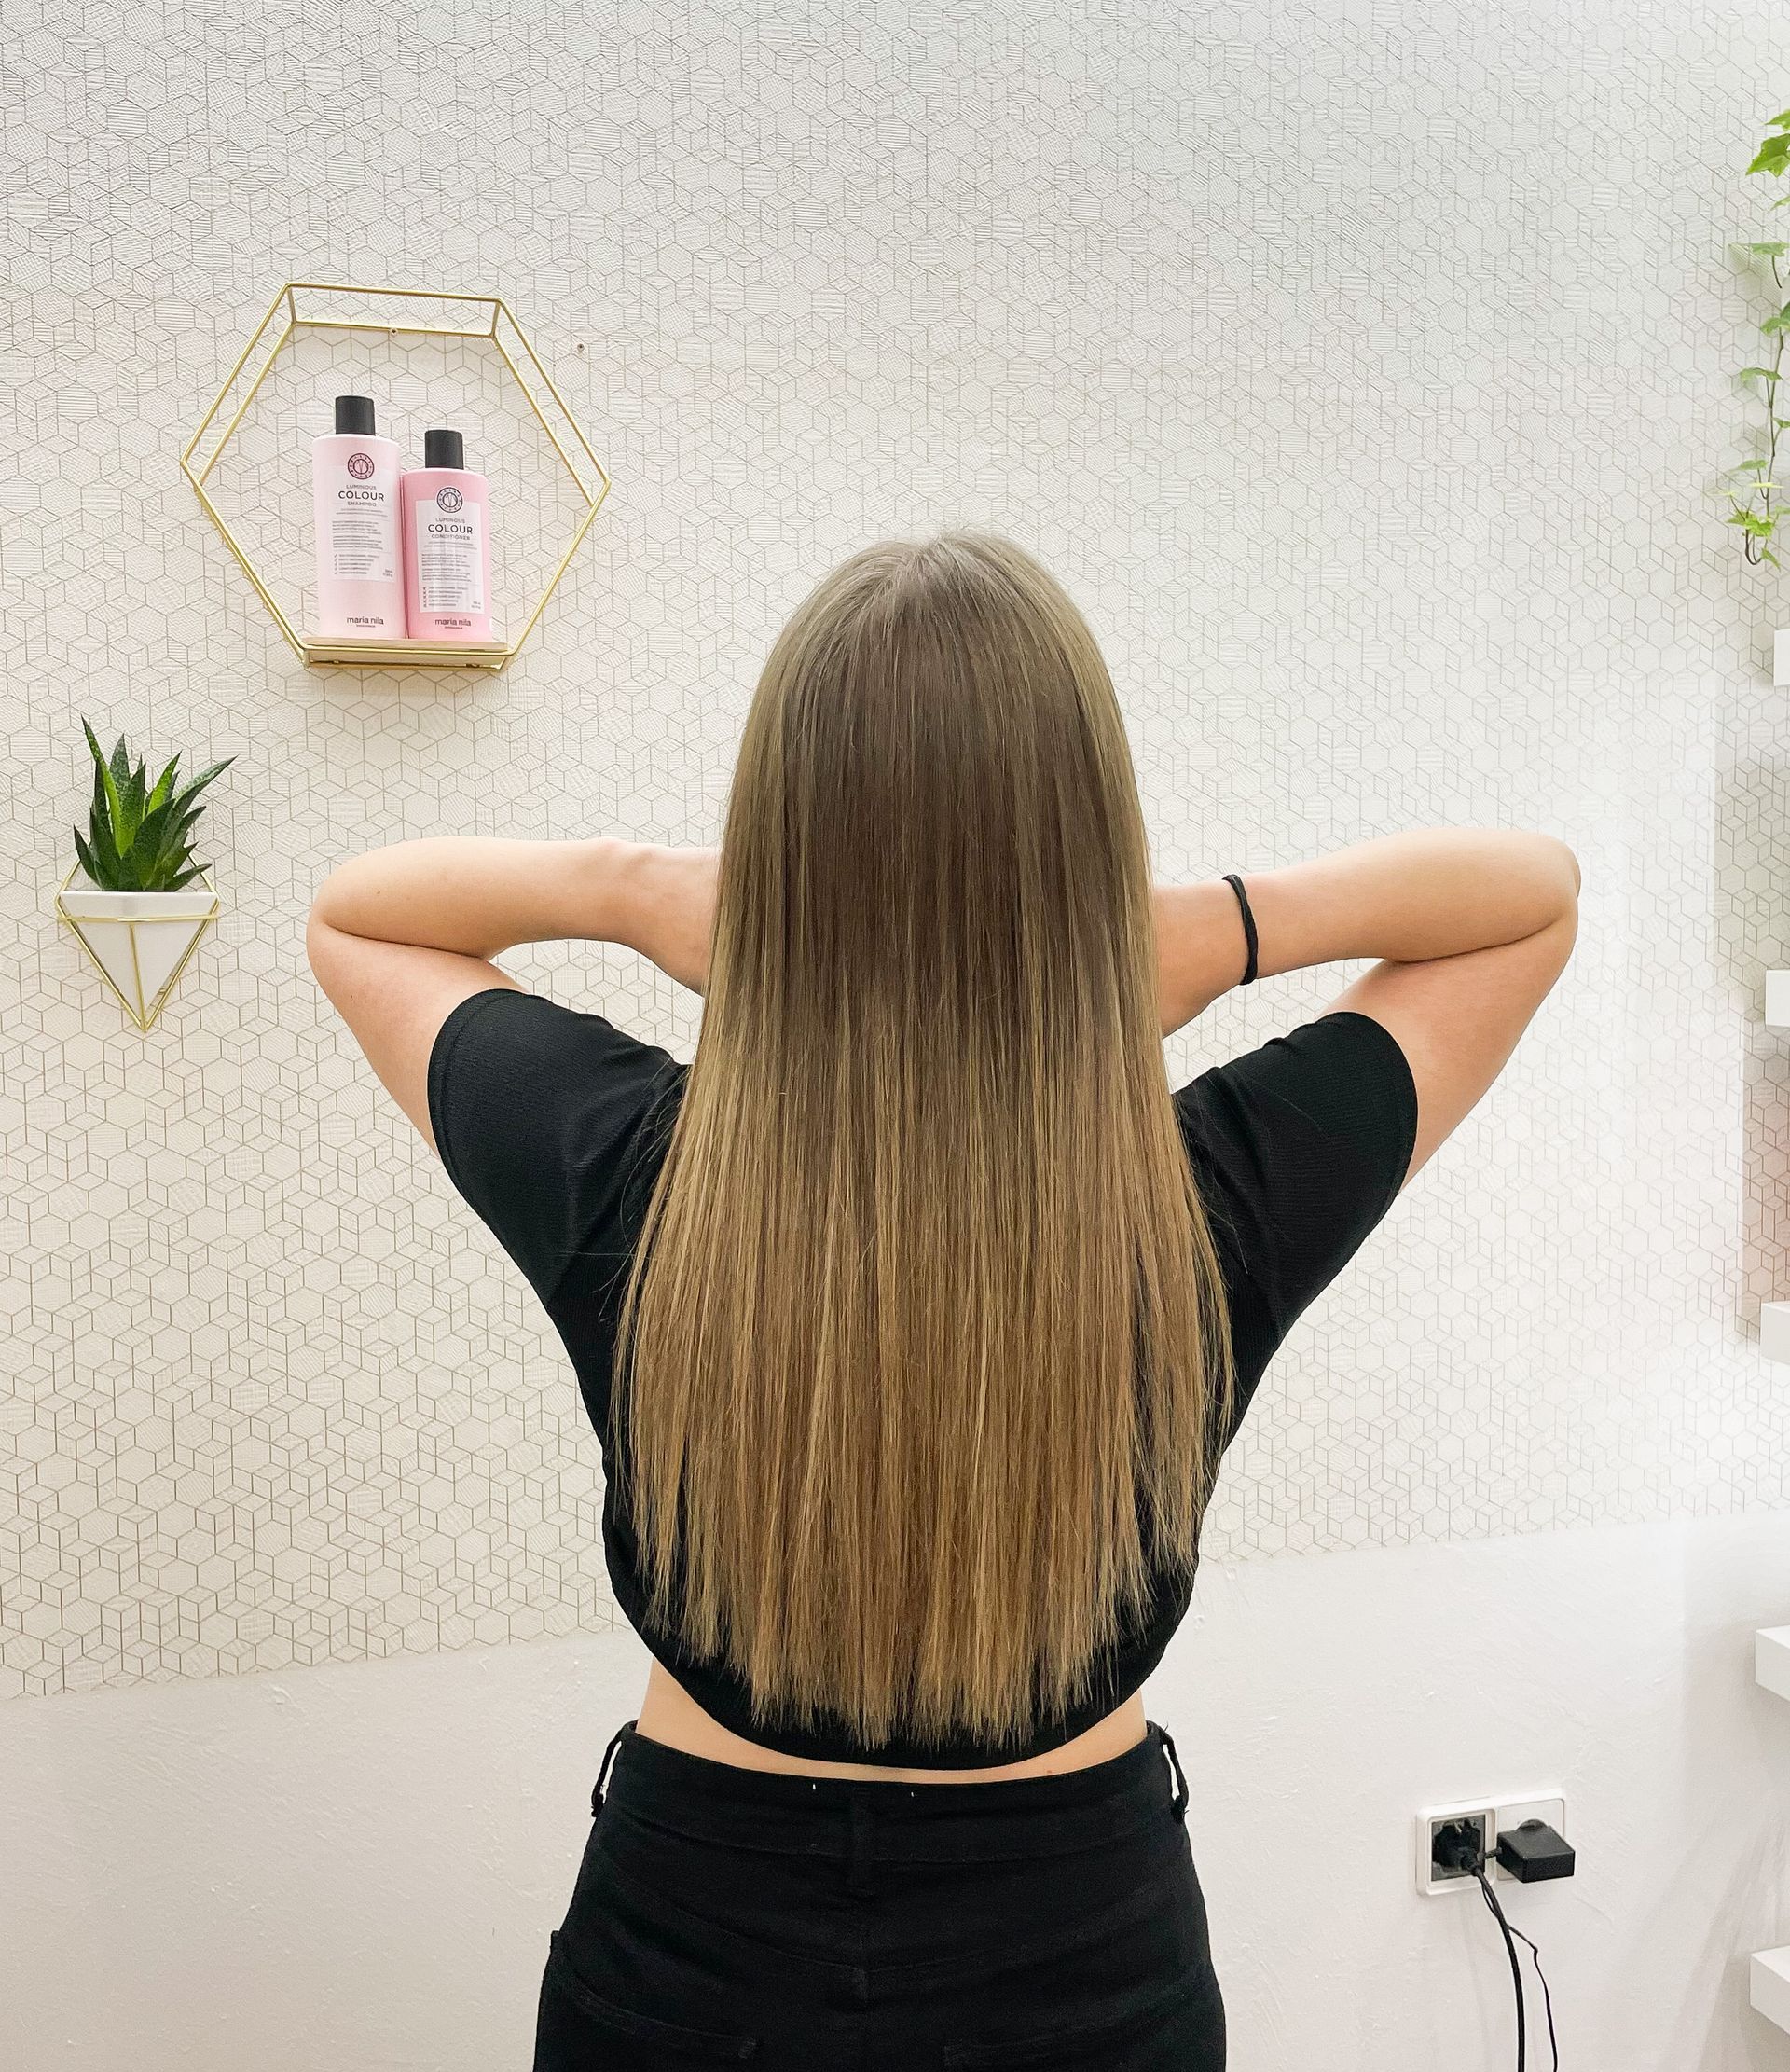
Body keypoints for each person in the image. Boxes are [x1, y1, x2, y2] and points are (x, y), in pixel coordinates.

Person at [307, 532, 1579, 2069]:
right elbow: (1533, 896)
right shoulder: (1208, 1201)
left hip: (690, 1961)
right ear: (1092, 843)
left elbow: (359, 914)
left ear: (771, 840)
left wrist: (641, 893)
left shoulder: (626, 1166)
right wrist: (1216, 931)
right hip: (1086, 1971)